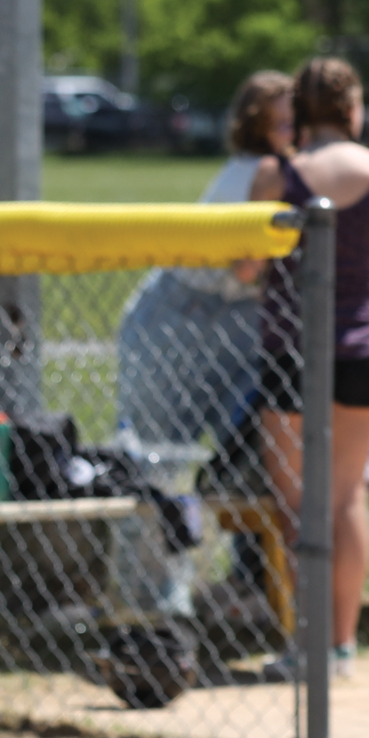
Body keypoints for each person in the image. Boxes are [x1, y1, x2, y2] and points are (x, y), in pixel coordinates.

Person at [252, 57, 369, 675]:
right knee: (346, 501)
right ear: (350, 109)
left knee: (297, 505)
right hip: (361, 351)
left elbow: (248, 263)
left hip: (292, 350)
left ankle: (308, 646)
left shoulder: (278, 173)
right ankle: (342, 645)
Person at [116, 71, 289, 454]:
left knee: (241, 447)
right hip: (185, 313)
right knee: (156, 450)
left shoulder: (258, 167)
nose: (292, 133)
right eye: (281, 124)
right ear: (255, 127)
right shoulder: (267, 173)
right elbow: (248, 269)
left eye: (296, 123)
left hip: (232, 313)